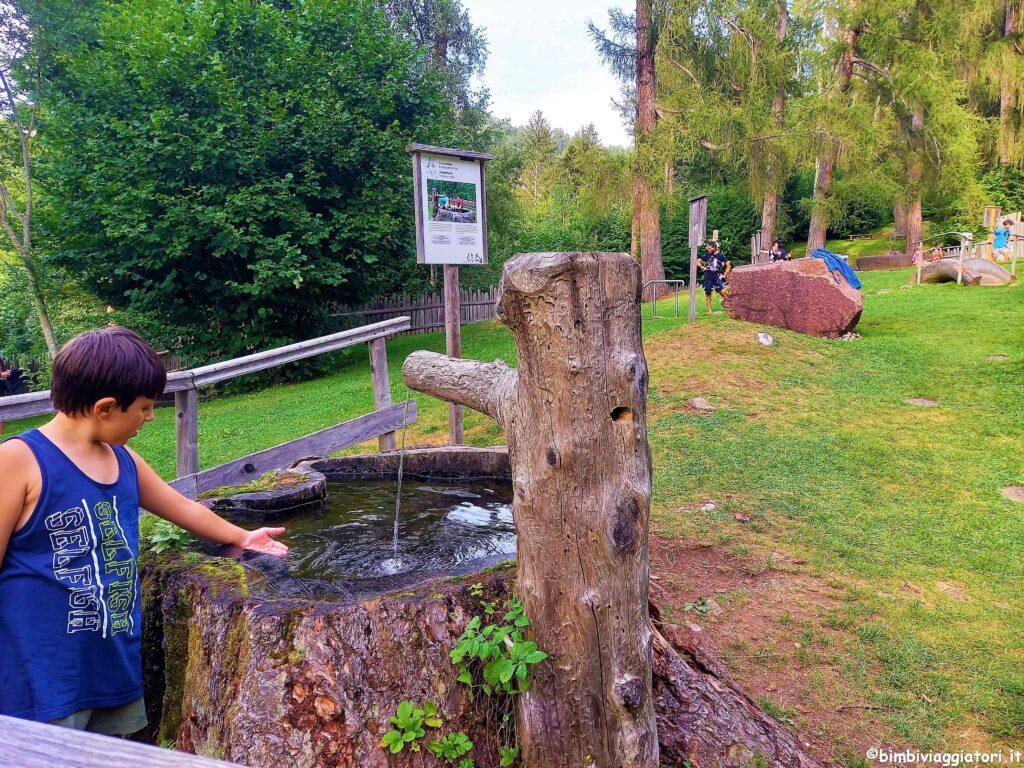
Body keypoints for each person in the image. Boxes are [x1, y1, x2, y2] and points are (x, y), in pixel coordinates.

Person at [0, 326, 288, 735]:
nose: (150, 418)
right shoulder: (17, 461)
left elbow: (180, 507)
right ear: (105, 408)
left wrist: (241, 537)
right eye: (145, 408)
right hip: (41, 677)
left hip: (110, 664)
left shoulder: (123, 459)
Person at [698, 241, 731, 314]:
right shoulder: (707, 255)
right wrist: (701, 266)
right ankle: (710, 311)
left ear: (714, 247)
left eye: (709, 248)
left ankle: (728, 304)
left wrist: (725, 274)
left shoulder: (721, 256)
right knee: (708, 293)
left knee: (722, 291)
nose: (708, 249)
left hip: (717, 277)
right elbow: (697, 260)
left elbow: (728, 264)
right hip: (708, 277)